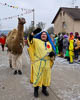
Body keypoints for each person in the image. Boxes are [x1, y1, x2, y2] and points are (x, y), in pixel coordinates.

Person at [28, 30, 56, 98]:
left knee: (46, 77)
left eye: (45, 34)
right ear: (40, 35)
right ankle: (36, 90)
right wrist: (33, 33)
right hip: (38, 63)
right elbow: (30, 39)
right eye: (42, 34)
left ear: (47, 36)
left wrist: (52, 55)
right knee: (37, 77)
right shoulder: (36, 41)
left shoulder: (49, 44)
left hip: (47, 63)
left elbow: (53, 54)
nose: (43, 35)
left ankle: (44, 89)